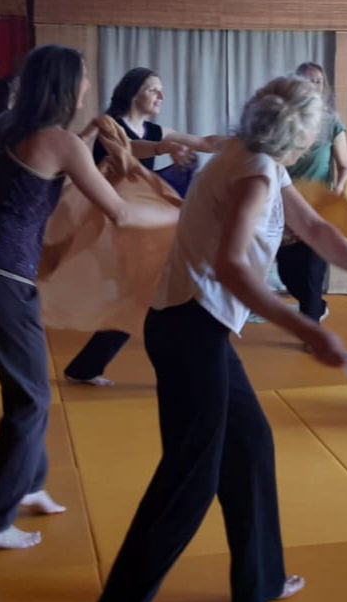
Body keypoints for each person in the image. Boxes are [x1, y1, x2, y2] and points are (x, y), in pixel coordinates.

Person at [77, 75, 347, 602]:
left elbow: (317, 230)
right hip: (191, 329)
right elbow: (229, 262)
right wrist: (302, 325)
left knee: (249, 446)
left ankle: (260, 579)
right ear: (298, 134)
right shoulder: (250, 170)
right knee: (187, 486)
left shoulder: (259, 163)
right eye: (313, 131)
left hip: (200, 329)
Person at [0, 45, 179, 551]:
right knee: (31, 396)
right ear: (68, 85)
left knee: (26, 385)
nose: (89, 86)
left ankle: (29, 485)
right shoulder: (60, 142)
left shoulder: (6, 126)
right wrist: (184, 218)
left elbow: (49, 168)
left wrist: (91, 133)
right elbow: (123, 214)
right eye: (84, 78)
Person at [64, 67, 228, 386]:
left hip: (143, 222)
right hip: (112, 221)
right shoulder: (108, 125)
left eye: (161, 90)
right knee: (147, 294)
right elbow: (124, 150)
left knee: (144, 295)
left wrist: (245, 141)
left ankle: (87, 366)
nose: (160, 96)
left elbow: (205, 142)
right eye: (153, 89)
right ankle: (95, 366)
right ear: (133, 92)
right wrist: (162, 149)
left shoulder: (155, 131)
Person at [276, 61, 347, 325]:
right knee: (287, 270)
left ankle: (311, 327)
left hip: (320, 207)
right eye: (306, 80)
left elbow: (344, 166)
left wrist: (337, 193)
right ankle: (317, 306)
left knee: (312, 269)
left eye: (317, 81)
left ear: (324, 87)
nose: (312, 85)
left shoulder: (331, 122)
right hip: (286, 205)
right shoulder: (284, 120)